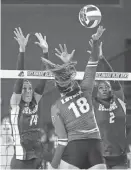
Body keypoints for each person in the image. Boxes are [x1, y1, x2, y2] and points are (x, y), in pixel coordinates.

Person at [41, 26, 107, 169]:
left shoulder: (56, 107)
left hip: (74, 148)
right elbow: (94, 60)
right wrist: (95, 40)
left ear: (57, 86)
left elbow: (63, 140)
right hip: (95, 145)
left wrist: (53, 165)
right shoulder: (86, 89)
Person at [10, 27, 49, 169]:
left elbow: (43, 79)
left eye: (30, 88)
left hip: (37, 156)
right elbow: (19, 80)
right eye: (24, 88)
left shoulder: (35, 102)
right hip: (21, 160)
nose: (27, 90)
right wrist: (22, 49)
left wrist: (45, 52)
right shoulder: (15, 103)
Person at [93, 42, 127, 169]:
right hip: (101, 155)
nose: (104, 88)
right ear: (97, 90)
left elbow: (113, 79)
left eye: (107, 86)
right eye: (101, 87)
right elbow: (88, 82)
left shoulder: (119, 99)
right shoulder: (94, 103)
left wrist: (102, 59)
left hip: (120, 154)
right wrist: (94, 59)